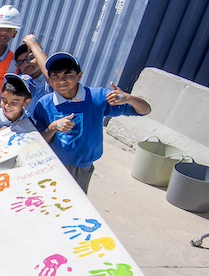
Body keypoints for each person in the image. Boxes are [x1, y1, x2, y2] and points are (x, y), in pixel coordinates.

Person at [30, 52, 151, 193]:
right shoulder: (44, 104)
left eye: (68, 76)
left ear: (79, 76)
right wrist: (53, 127)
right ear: (49, 81)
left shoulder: (97, 97)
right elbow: (37, 140)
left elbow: (145, 110)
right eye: (55, 77)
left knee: (74, 205)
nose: (61, 81)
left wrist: (129, 98)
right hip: (51, 164)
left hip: (82, 167)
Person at [17, 34, 51, 108]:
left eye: (30, 58)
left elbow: (49, 73)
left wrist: (34, 46)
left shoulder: (49, 81)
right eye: (21, 62)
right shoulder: (20, 82)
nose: (26, 64)